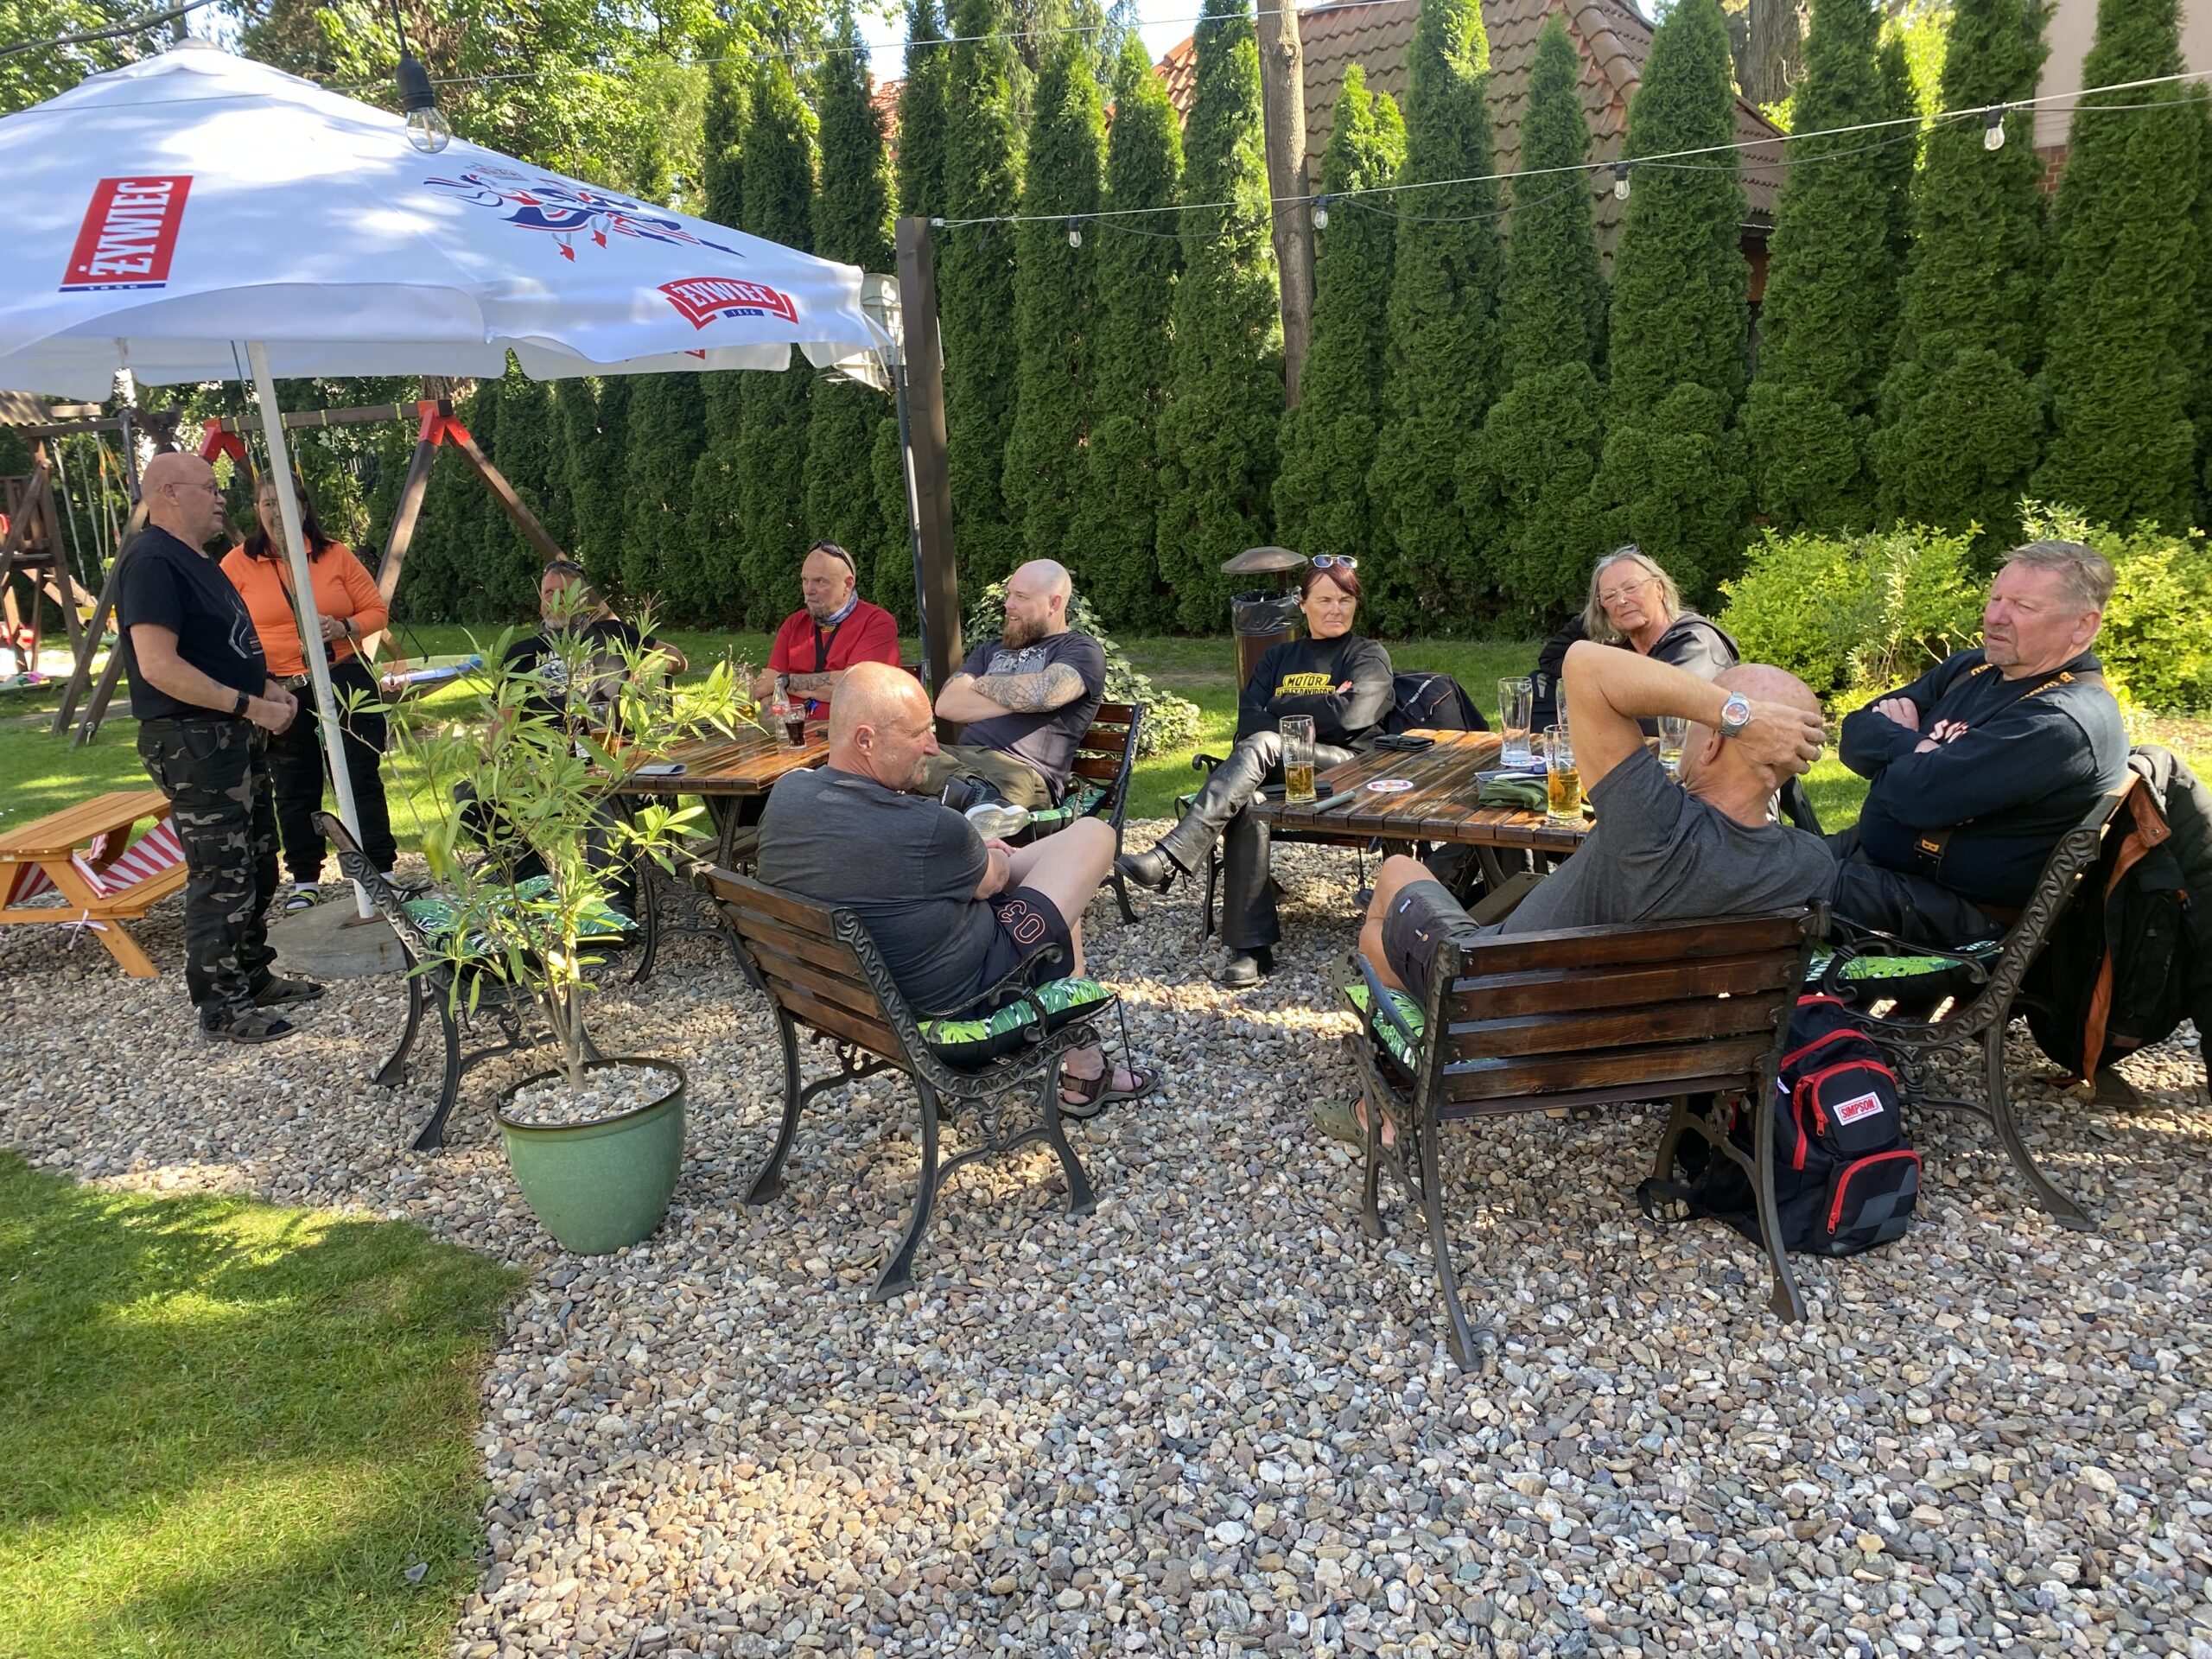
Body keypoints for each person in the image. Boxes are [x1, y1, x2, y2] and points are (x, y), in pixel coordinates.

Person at [756, 663, 1154, 1113]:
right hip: (963, 1000)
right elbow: (995, 879)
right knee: (1093, 836)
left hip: (846, 1002)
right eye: (918, 734)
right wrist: (980, 851)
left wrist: (967, 857)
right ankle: (1087, 1071)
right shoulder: (928, 827)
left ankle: (1088, 1066)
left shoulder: (787, 795)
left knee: (1057, 870)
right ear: (865, 740)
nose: (932, 746)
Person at [1362, 640, 1830, 1012]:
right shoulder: (1809, 865)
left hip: (1494, 1005)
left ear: (1712, 747)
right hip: (1641, 1039)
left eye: (1696, 727)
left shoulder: (1655, 827)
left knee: (1397, 875)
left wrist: (1737, 715)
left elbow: (1586, 665)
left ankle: (1400, 1055)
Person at [114, 452, 322, 1043]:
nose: (221, 497)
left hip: (229, 735)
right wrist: (248, 705)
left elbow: (218, 648)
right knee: (222, 873)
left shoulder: (197, 558)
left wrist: (265, 686)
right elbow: (159, 666)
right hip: (193, 741)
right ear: (168, 492)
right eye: (208, 487)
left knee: (258, 860)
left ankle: (253, 975)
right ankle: (222, 1006)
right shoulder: (152, 561)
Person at [1831, 539, 2129, 944]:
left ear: (2084, 625)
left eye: (2023, 607)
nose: (1995, 617)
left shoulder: (2062, 719)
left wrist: (1906, 757)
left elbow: (1917, 798)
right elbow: (1855, 732)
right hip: (1882, 866)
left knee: (1764, 879)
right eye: (1996, 599)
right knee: (1755, 854)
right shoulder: (1970, 668)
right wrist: (1919, 749)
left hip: (1957, 917)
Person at [1117, 556, 1393, 988]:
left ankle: (1170, 857)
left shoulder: (1367, 655)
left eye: (1345, 600)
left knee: (1266, 743)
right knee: (1247, 798)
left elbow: (1353, 715)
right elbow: (1248, 721)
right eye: (1325, 600)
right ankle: (1250, 948)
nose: (1336, 609)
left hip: (1343, 769)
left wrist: (1280, 707)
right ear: (1302, 603)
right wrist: (1322, 705)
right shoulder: (1278, 657)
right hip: (1276, 773)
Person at [221, 472, 398, 911]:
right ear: (258, 511)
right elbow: (223, 627)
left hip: (343, 676)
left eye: (285, 502)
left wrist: (343, 627)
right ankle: (305, 878)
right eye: (268, 504)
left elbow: (376, 611)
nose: (277, 513)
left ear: (303, 508)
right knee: (293, 784)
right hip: (281, 688)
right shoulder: (238, 563)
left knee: (359, 773)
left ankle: (382, 868)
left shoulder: (334, 554)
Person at [922, 560, 1107, 810]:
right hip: (964, 760)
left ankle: (970, 800)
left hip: (1021, 774)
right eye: (1009, 594)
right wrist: (1022, 697)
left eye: (1021, 596)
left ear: (1054, 604)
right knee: (898, 756)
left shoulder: (1081, 650)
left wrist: (979, 685)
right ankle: (966, 798)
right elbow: (947, 705)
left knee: (952, 785)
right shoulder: (991, 650)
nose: (1008, 604)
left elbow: (1043, 695)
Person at [1529, 546, 1738, 729]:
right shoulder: (1624, 645)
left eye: (1631, 587)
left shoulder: (1695, 641)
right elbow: (1550, 660)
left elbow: (1667, 718)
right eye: (1610, 595)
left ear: (1659, 590)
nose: (1621, 600)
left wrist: (1597, 691)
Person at [750, 540, 900, 718]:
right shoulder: (794, 624)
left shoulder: (876, 622)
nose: (809, 590)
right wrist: (788, 724)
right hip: (793, 731)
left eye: (820, 581)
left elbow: (857, 688)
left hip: (854, 733)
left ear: (848, 584)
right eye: (805, 580)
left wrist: (785, 681)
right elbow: (766, 690)